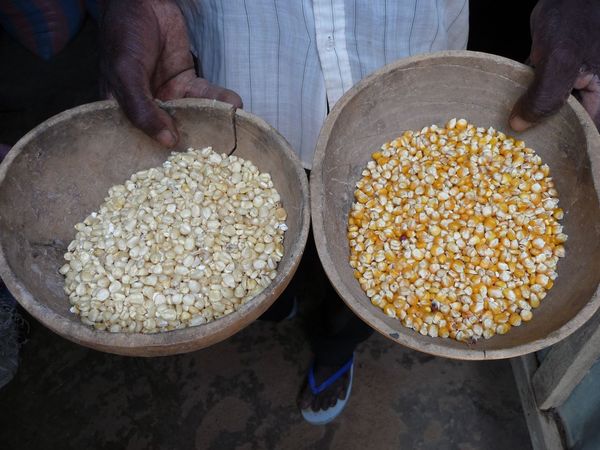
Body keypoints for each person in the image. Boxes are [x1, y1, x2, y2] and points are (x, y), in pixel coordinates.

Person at [99, 0, 600, 424]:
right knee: (259, 224)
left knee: (361, 278)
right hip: (251, 70)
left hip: (407, 79)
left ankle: (335, 349)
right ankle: (277, 296)